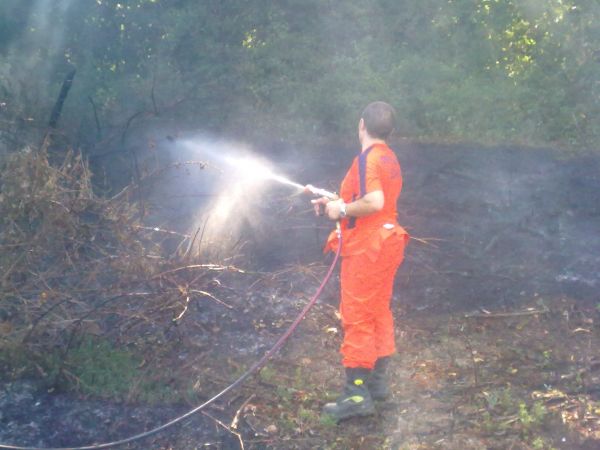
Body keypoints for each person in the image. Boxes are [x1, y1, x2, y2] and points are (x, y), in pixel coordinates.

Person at [311, 101, 409, 422]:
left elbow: (374, 202)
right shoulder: (388, 157)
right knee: (378, 311)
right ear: (390, 131)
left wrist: (340, 210)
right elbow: (369, 200)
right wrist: (335, 202)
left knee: (357, 317)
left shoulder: (368, 158)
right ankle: (377, 385)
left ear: (362, 125)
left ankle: (355, 395)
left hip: (368, 248)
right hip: (387, 242)